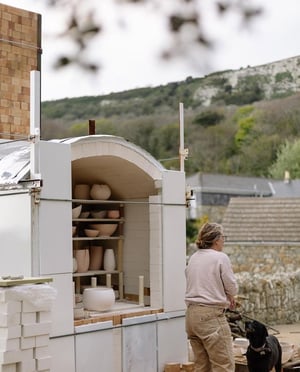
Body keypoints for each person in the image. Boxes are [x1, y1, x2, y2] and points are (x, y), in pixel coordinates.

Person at [185, 222, 238, 372]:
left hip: (191, 317)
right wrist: (230, 294)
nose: (224, 241)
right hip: (210, 317)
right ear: (216, 240)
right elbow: (231, 286)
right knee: (224, 366)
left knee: (202, 366)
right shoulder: (220, 257)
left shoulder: (194, 257)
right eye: (223, 237)